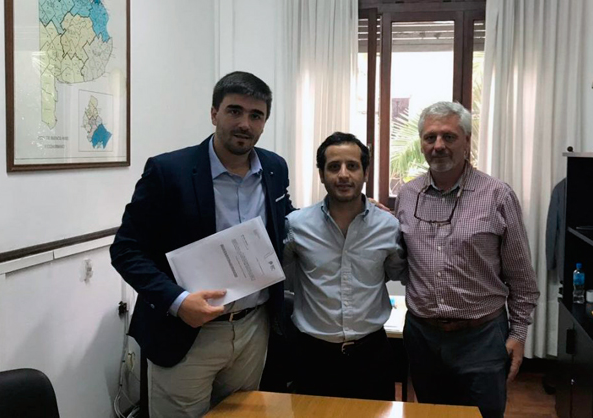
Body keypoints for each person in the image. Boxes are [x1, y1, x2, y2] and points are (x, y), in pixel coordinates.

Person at [110, 71, 293, 417]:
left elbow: (285, 219)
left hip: (253, 328)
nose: (245, 123)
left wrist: (348, 208)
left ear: (264, 122)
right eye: (234, 111)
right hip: (185, 332)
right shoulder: (169, 171)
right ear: (214, 113)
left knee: (242, 415)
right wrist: (177, 302)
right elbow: (126, 249)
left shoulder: (274, 167)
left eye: (256, 115)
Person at [394, 102, 539, 418]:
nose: (438, 146)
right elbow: (401, 261)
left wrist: (518, 335)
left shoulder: (497, 195)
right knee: (432, 415)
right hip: (422, 337)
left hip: (481, 338)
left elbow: (522, 279)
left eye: (449, 136)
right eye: (430, 137)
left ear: (467, 141)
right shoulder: (407, 195)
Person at [282, 132, 406, 401]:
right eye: (334, 167)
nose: (343, 174)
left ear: (365, 173)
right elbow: (285, 278)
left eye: (352, 166)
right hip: (313, 356)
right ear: (321, 174)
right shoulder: (296, 226)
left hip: (372, 356)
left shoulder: (388, 226)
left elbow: (395, 271)